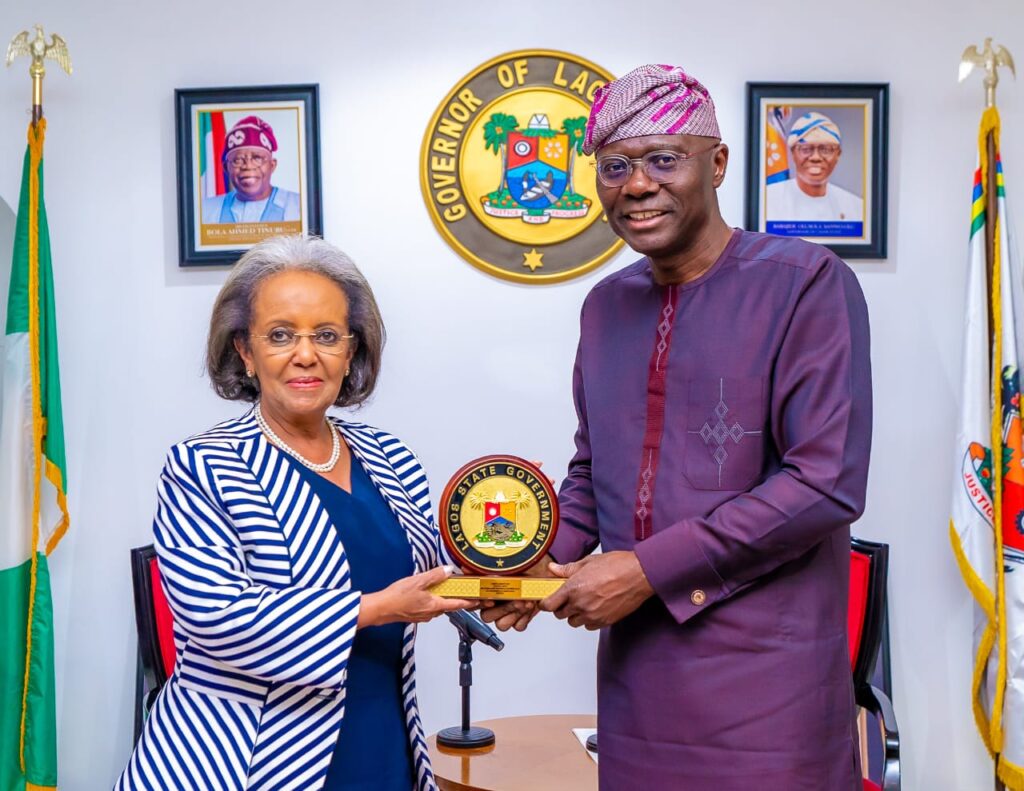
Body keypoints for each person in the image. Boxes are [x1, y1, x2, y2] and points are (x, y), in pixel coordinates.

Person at [482, 64, 872, 789]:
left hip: (768, 689)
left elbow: (824, 484)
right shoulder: (607, 305)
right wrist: (534, 560)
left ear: (716, 163)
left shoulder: (805, 283)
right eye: (615, 166)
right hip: (637, 683)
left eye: (664, 159)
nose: (636, 185)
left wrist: (644, 570)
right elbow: (594, 470)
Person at [116, 235, 471, 791]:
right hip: (246, 759)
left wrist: (517, 557)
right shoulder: (202, 464)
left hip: (382, 738)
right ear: (245, 351)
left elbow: (436, 573)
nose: (306, 355)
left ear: (351, 351)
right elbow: (217, 616)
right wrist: (377, 608)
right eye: (280, 335)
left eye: (327, 335)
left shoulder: (391, 457)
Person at [765, 110, 863, 223]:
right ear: (792, 153)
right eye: (806, 149)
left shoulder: (856, 208)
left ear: (838, 155)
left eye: (826, 149)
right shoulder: (766, 202)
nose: (815, 157)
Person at [202, 115, 302, 224]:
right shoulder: (205, 210)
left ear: (272, 165)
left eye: (257, 158)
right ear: (226, 168)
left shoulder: (299, 206)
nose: (248, 166)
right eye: (238, 160)